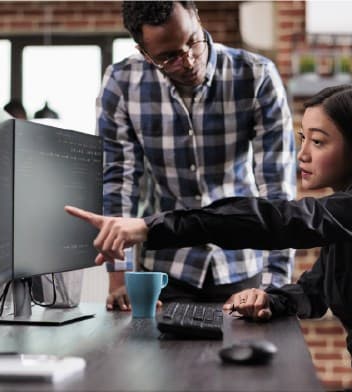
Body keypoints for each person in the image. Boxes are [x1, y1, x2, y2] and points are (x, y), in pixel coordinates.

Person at [67, 84, 352, 390]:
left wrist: (149, 227)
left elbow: (277, 219)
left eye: (318, 142)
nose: (302, 155)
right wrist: (273, 299)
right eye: (304, 139)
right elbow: (317, 290)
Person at [97, 1, 296, 310]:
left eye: (192, 41)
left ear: (197, 18)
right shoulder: (121, 84)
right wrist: (119, 278)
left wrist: (276, 286)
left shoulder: (256, 76)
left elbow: (277, 189)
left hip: (242, 261)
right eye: (169, 57)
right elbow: (119, 184)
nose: (188, 61)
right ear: (144, 52)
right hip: (166, 267)